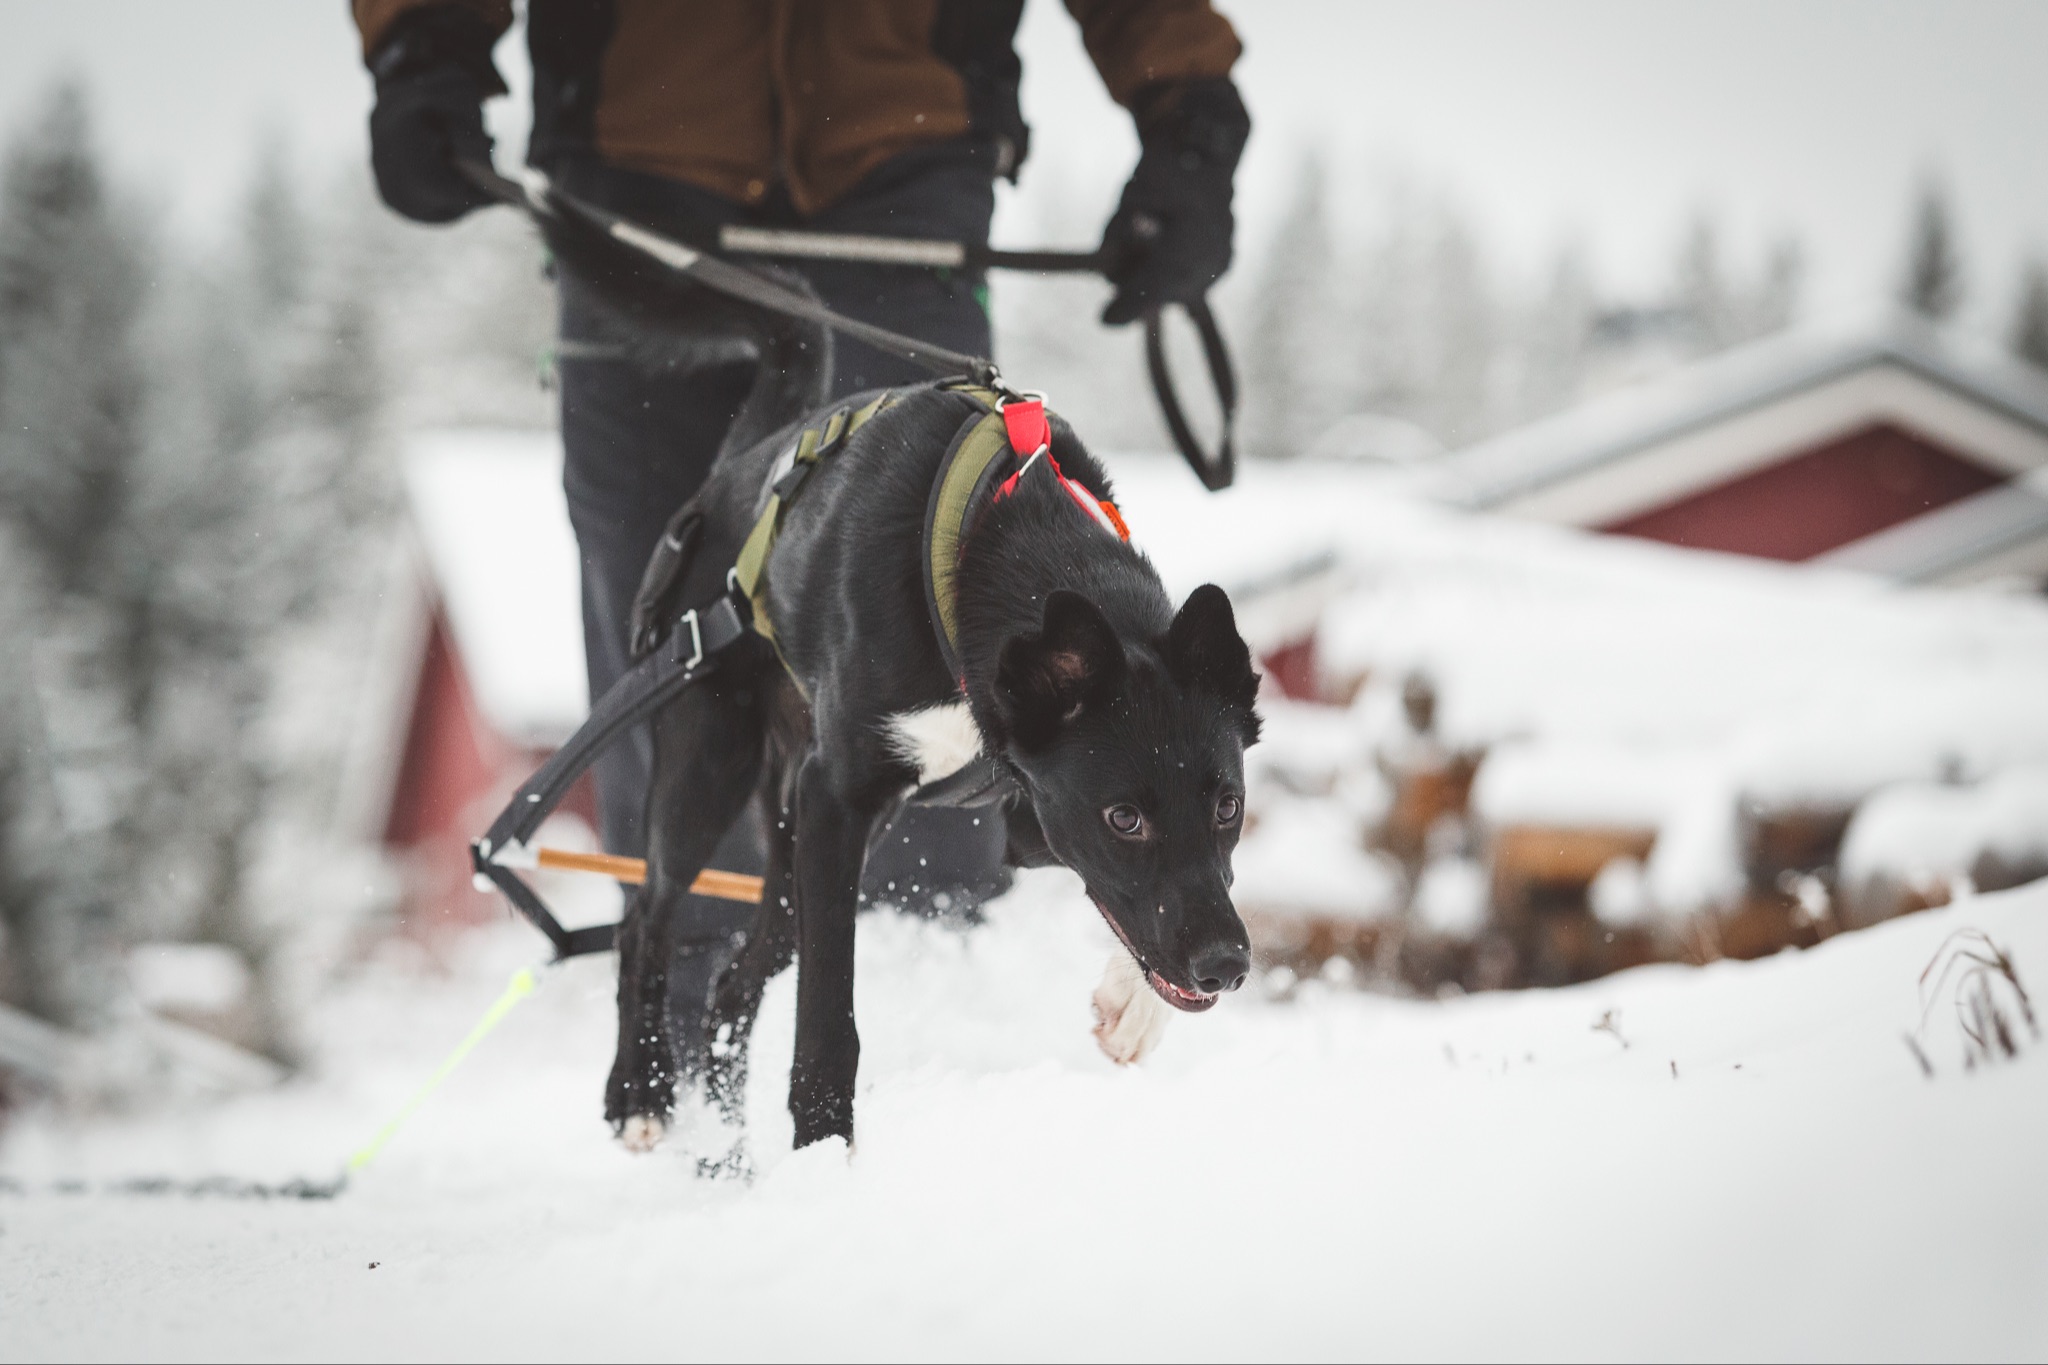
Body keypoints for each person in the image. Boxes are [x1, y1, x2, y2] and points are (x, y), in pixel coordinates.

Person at [352, 0, 1249, 991]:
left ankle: (926, 1005)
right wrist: (423, 38)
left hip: (900, 163)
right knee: (677, 647)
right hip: (634, 157)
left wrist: (1188, 108)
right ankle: (682, 1027)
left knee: (938, 658)